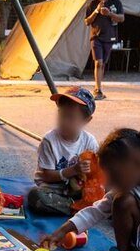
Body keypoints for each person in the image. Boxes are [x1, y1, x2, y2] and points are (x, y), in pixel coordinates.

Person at [28, 87, 98, 216]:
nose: (64, 121)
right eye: (61, 114)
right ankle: (76, 207)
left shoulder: (89, 142)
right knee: (35, 196)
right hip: (52, 188)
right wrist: (74, 170)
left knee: (110, 188)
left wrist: (90, 173)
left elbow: (95, 175)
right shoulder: (49, 141)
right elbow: (47, 176)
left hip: (75, 188)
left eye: (70, 117)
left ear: (86, 120)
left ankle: (82, 205)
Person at [84, 0, 124, 100]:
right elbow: (87, 21)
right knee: (98, 62)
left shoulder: (116, 2)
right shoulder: (93, 4)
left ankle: (99, 88)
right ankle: (97, 89)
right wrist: (96, 11)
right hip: (96, 37)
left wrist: (110, 13)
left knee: (103, 63)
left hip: (109, 38)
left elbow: (122, 18)